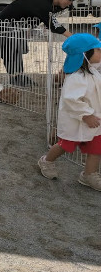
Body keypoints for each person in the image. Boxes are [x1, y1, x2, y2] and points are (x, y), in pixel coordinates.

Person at [38, 33, 101, 190]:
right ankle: (46, 161)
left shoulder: (94, 71)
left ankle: (89, 175)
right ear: (85, 55)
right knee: (65, 145)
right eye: (98, 50)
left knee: (96, 147)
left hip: (95, 120)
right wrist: (86, 115)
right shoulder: (76, 78)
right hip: (78, 120)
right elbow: (70, 100)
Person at [0, 0, 78, 86]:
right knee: (10, 54)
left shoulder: (47, 1)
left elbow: (52, 16)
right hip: (5, 28)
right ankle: (15, 78)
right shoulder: (43, 3)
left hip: (16, 27)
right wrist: (73, 37)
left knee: (16, 53)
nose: (70, 3)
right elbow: (53, 25)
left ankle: (19, 76)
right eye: (70, 0)